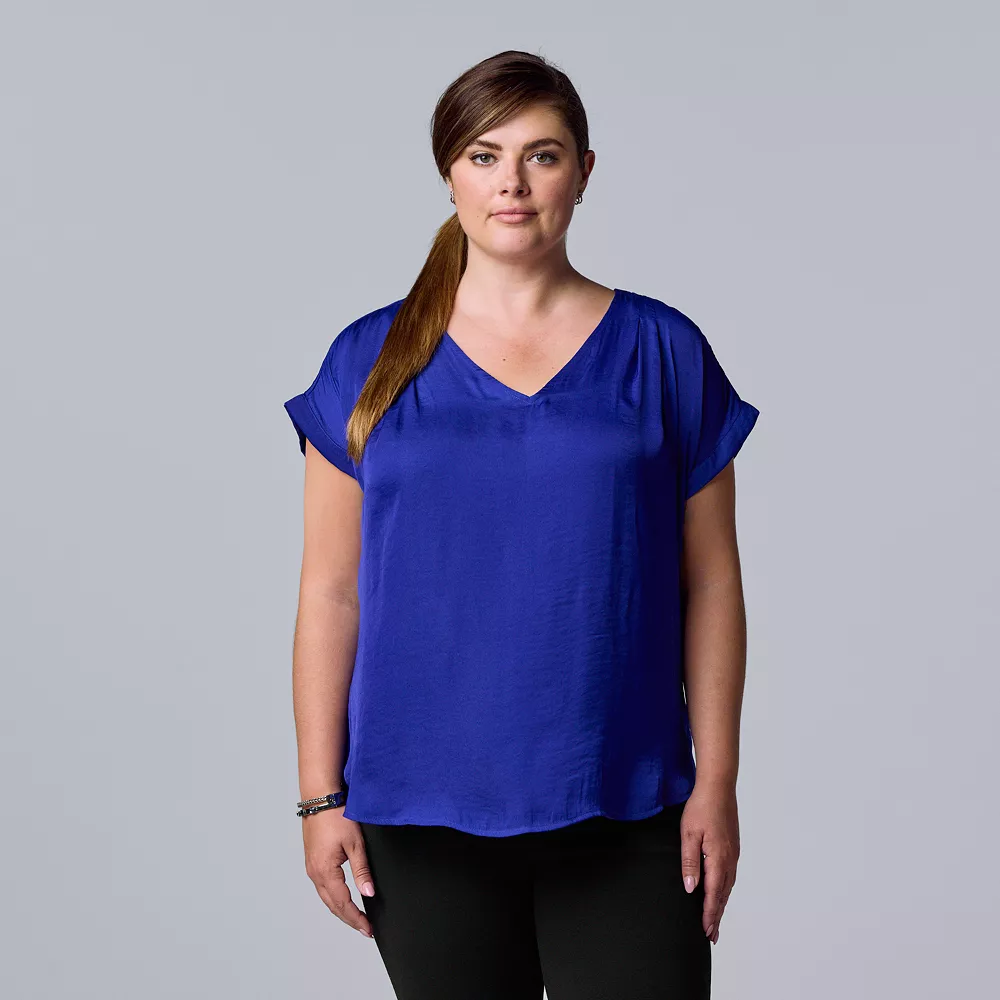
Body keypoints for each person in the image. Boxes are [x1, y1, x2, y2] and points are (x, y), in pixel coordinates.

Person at [283, 50, 759, 1000]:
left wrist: (717, 783)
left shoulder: (663, 350)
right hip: (420, 813)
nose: (512, 182)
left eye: (541, 155)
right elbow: (331, 592)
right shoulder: (368, 359)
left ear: (583, 172)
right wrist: (319, 795)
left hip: (628, 803)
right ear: (449, 173)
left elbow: (711, 583)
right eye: (484, 155)